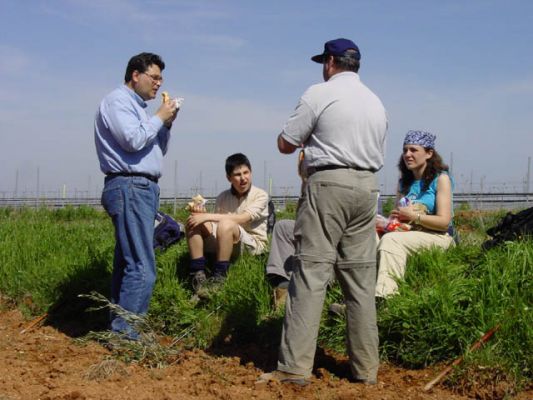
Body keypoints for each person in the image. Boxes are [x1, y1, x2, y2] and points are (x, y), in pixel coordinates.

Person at [259, 38, 387, 386]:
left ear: (330, 62)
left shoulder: (320, 92)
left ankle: (293, 369)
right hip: (367, 188)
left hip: (329, 186)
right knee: (360, 280)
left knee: (311, 273)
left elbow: (286, 143)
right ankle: (366, 370)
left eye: (324, 62)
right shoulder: (375, 102)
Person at [94, 52, 178, 339]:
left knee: (128, 263)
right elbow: (132, 141)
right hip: (130, 186)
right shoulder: (118, 101)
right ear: (135, 75)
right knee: (143, 266)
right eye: (154, 77)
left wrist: (165, 123)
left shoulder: (140, 110)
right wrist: (159, 117)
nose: (158, 84)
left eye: (160, 79)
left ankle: (119, 330)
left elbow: (155, 149)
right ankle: (126, 335)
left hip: (142, 188)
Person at [375, 130, 455, 298]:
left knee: (391, 240)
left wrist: (414, 216)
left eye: (413, 150)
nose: (407, 155)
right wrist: (387, 222)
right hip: (409, 232)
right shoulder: (404, 183)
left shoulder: (441, 179)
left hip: (438, 236)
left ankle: (385, 297)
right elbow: (399, 218)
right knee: (369, 237)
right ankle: (357, 298)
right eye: (405, 150)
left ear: (429, 153)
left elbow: (444, 222)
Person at [186, 153, 269, 293]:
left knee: (226, 223)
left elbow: (243, 218)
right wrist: (201, 216)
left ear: (251, 172)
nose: (243, 178)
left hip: (252, 245)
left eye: (246, 173)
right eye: (237, 175)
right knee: (193, 221)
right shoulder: (222, 197)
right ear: (229, 178)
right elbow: (214, 224)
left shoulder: (261, 195)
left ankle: (220, 276)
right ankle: (197, 273)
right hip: (225, 239)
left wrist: (208, 216)